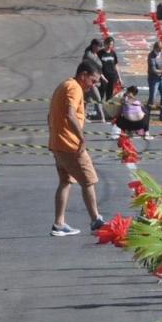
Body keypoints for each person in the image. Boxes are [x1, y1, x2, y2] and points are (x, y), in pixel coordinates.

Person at [49, 62, 106, 236]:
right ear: (83, 75)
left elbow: (50, 115)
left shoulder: (64, 85)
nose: (93, 85)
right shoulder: (74, 88)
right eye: (93, 80)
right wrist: (81, 137)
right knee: (89, 180)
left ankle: (59, 223)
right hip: (71, 145)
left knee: (65, 182)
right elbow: (70, 113)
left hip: (59, 144)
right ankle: (96, 220)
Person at [82, 39, 107, 120]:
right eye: (99, 47)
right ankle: (101, 117)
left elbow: (98, 68)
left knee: (87, 99)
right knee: (97, 98)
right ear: (94, 46)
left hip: (95, 80)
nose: (100, 49)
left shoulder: (94, 54)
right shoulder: (88, 55)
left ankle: (82, 116)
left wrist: (102, 77)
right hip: (90, 81)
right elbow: (88, 68)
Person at [146, 40, 162, 121]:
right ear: (155, 48)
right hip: (153, 78)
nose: (160, 50)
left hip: (161, 78)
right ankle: (147, 115)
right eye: (159, 48)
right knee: (152, 97)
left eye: (161, 48)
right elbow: (153, 70)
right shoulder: (151, 56)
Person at [98, 37, 121, 103]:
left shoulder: (113, 53)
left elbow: (116, 65)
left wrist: (119, 78)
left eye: (111, 45)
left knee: (110, 94)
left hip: (112, 76)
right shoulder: (100, 53)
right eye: (108, 44)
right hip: (103, 76)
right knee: (101, 93)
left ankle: (107, 108)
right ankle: (99, 109)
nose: (109, 46)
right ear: (105, 44)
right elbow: (97, 66)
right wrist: (102, 76)